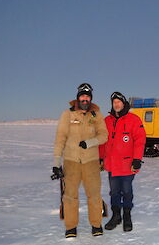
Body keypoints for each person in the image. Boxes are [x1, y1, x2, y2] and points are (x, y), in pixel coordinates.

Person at [52, 83, 108, 238]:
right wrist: (56, 163)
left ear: (90, 98)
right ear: (78, 97)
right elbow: (60, 138)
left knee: (94, 194)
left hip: (91, 162)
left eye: (87, 96)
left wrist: (90, 143)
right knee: (70, 195)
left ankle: (96, 225)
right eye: (82, 96)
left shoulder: (96, 114)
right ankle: (71, 227)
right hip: (71, 161)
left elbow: (104, 135)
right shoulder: (67, 114)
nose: (85, 98)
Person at [99, 92, 146, 232]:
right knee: (114, 192)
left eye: (119, 102)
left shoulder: (134, 120)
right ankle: (116, 216)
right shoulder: (107, 121)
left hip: (127, 165)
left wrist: (137, 159)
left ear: (124, 103)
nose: (116, 104)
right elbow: (102, 142)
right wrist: (101, 158)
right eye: (114, 102)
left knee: (126, 191)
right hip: (112, 165)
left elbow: (140, 140)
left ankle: (127, 216)